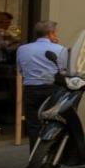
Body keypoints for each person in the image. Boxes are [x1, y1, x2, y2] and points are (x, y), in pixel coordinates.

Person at [16, 20, 67, 159]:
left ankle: (34, 159)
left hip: (30, 90)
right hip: (52, 90)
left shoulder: (22, 49)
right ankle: (54, 159)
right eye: (55, 32)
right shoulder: (60, 49)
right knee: (57, 122)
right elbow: (63, 72)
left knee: (33, 126)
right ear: (51, 34)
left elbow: (20, 70)